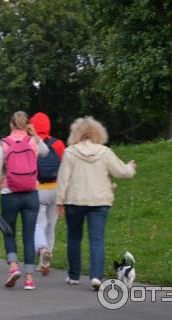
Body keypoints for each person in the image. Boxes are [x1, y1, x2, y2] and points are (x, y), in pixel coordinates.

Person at [56, 116, 137, 290]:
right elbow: (122, 172)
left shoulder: (70, 152)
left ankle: (74, 275)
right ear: (98, 133)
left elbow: (63, 179)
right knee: (97, 239)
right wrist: (130, 166)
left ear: (76, 133)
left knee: (74, 237)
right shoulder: (104, 152)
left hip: (74, 201)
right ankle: (96, 277)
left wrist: (59, 201)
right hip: (100, 201)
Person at [0, 111, 48, 291]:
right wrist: (34, 134)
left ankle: (13, 267)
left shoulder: (3, 144)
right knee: (29, 235)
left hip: (9, 193)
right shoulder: (33, 141)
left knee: (9, 232)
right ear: (27, 125)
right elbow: (45, 152)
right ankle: (29, 279)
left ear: (11, 124)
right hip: (31, 193)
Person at [29, 112, 66, 276]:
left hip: (39, 189)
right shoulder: (58, 144)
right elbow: (65, 169)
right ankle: (49, 252)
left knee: (39, 225)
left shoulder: (32, 141)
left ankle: (42, 255)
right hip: (56, 189)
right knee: (52, 225)